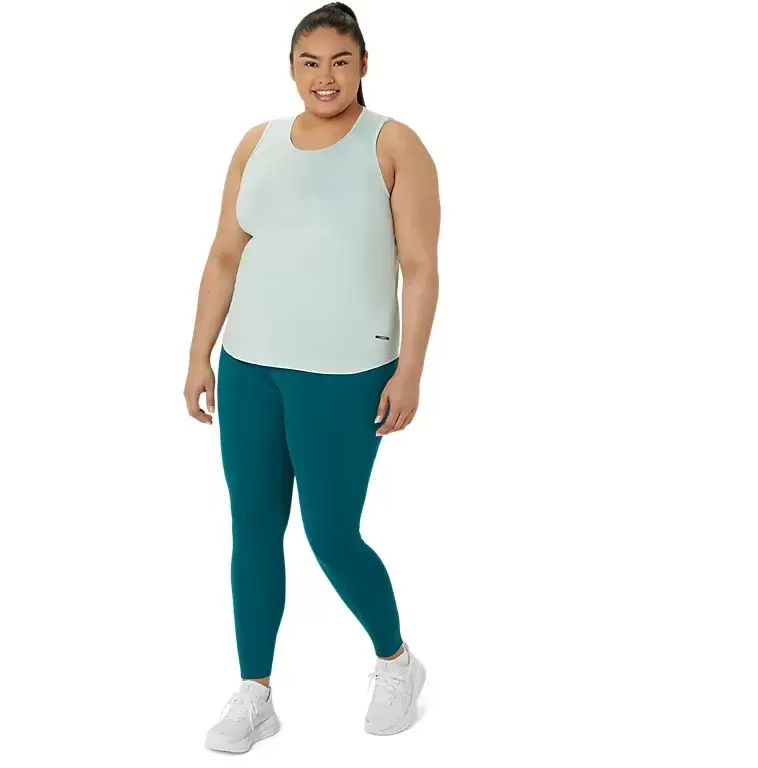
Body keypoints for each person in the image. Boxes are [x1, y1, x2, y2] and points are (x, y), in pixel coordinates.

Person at [184, 2, 440, 753]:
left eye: (339, 61)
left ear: (363, 65)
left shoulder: (393, 144)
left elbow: (420, 266)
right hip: (251, 367)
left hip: (346, 373)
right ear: (291, 68)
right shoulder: (256, 142)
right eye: (309, 62)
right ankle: (255, 692)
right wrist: (199, 353)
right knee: (253, 530)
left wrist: (412, 371)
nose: (324, 76)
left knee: (331, 532)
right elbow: (225, 253)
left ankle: (396, 662)